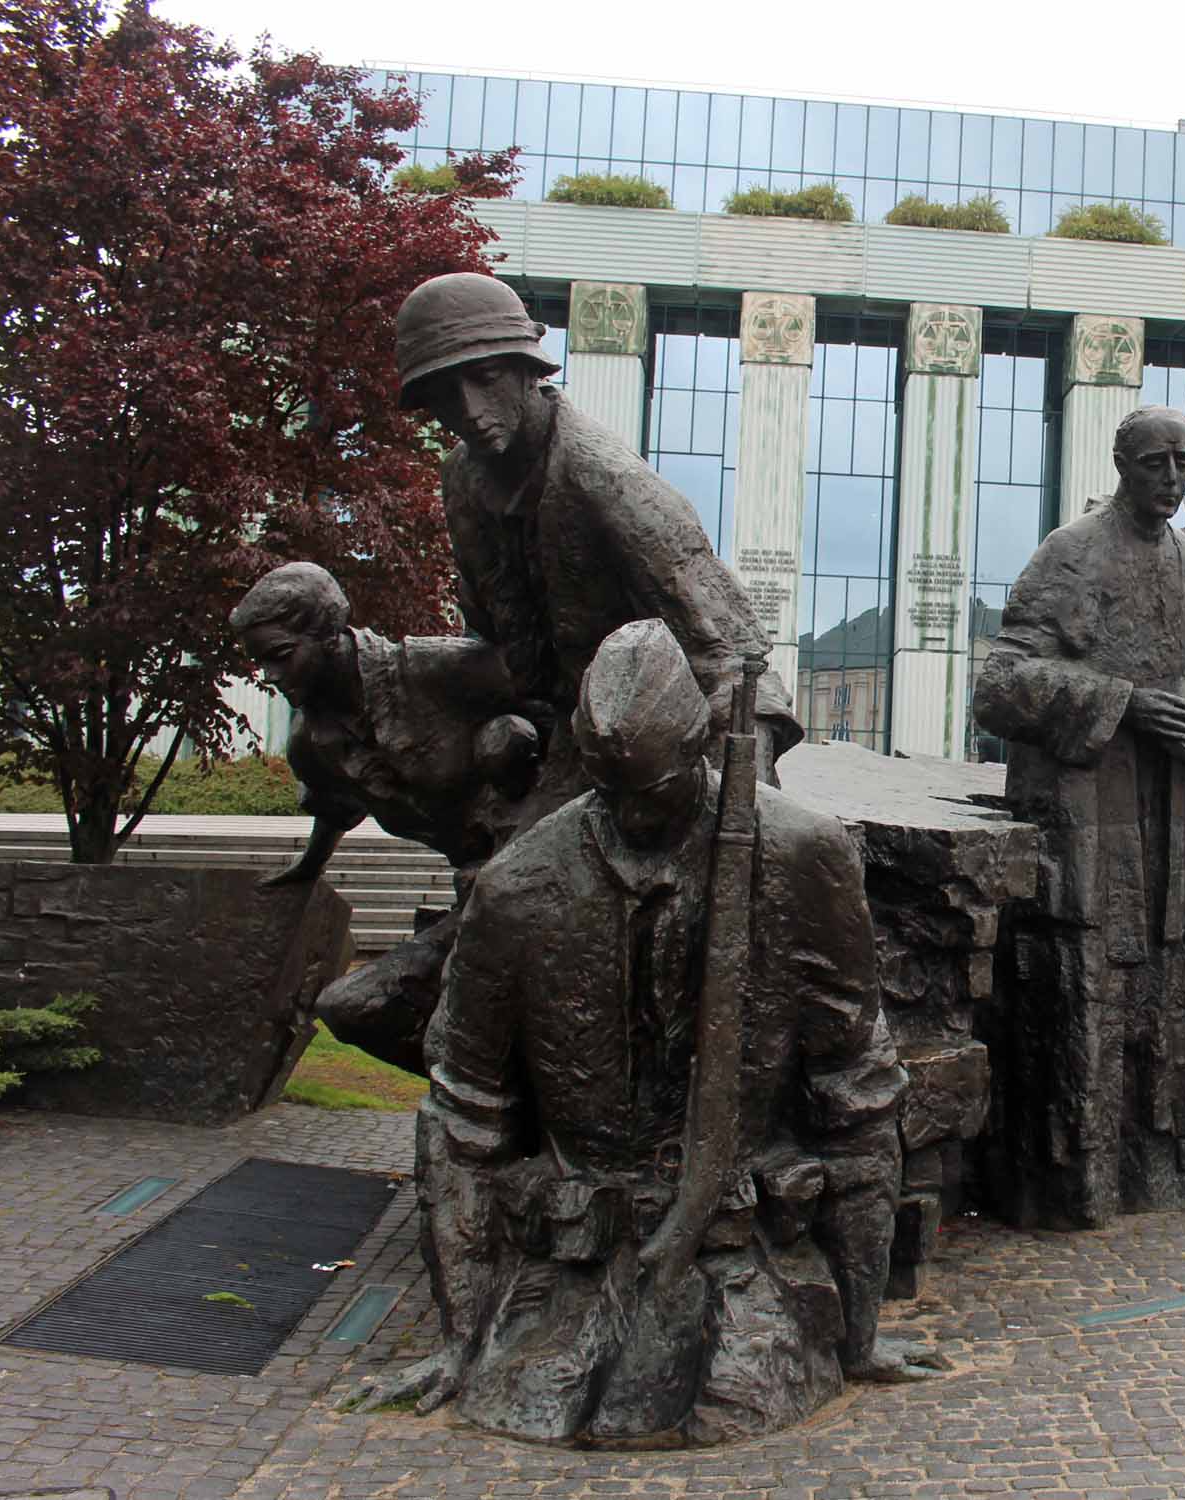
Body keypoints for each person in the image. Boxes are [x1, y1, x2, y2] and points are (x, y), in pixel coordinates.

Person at [344, 621, 936, 1444]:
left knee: (736, 1396)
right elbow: (461, 1119)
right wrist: (459, 1339)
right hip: (573, 1254)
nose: (630, 816)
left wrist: (862, 1332)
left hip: (743, 1251)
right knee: (536, 1398)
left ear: (699, 751)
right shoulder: (518, 889)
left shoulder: (805, 857)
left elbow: (859, 1097)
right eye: (608, 789)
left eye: (652, 793)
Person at [972, 405, 1185, 1230]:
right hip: (1090, 824)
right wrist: (1123, 705)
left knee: (1171, 1000)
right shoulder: (1070, 554)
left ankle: (1164, 1169)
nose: (1172, 478)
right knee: (1086, 999)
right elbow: (1000, 684)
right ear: (1122, 463)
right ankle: (1075, 1186)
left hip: (1173, 829)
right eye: (1157, 462)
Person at [393, 272, 800, 809]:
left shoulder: (605, 481)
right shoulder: (463, 481)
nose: (468, 410)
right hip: (560, 733)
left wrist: (742, 805)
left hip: (652, 754)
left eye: (486, 378)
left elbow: (731, 661)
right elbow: (490, 639)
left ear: (526, 371)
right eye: (444, 394)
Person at [230, 563, 542, 1073]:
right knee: (351, 1009)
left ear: (328, 633)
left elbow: (558, 700)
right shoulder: (312, 745)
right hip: (478, 898)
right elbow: (332, 811)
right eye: (261, 662)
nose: (271, 676)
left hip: (543, 858)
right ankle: (495, 1092)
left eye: (281, 656)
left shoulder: (432, 669)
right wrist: (308, 867)